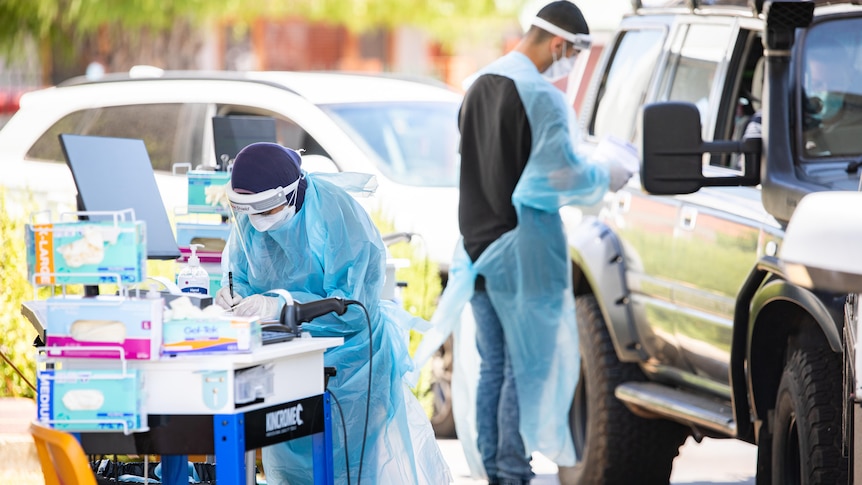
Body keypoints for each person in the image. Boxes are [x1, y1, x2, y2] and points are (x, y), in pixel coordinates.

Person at [413, 2, 633, 484]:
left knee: (494, 365)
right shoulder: (541, 97)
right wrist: (607, 174)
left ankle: (496, 468)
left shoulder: (477, 86)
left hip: (476, 249)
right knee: (521, 367)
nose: (570, 63)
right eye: (573, 53)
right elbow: (559, 178)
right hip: (521, 251)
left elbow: (478, 165)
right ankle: (512, 470)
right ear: (560, 44)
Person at [214, 142, 451, 484]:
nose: (257, 222)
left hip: (350, 365)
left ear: (290, 195)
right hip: (286, 357)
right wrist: (234, 294)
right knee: (289, 469)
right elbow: (243, 273)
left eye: (264, 211)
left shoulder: (336, 215)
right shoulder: (250, 222)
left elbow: (352, 307)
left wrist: (280, 304)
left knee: (347, 471)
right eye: (248, 212)